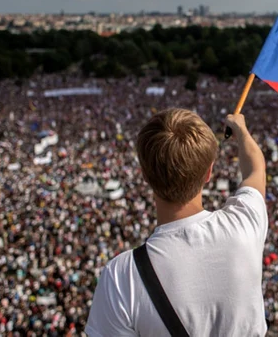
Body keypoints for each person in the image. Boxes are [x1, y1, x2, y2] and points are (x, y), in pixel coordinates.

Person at [85, 108, 268, 336]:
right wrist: (241, 131)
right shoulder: (244, 226)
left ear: (144, 174)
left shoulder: (121, 277)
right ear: (209, 172)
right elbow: (256, 170)